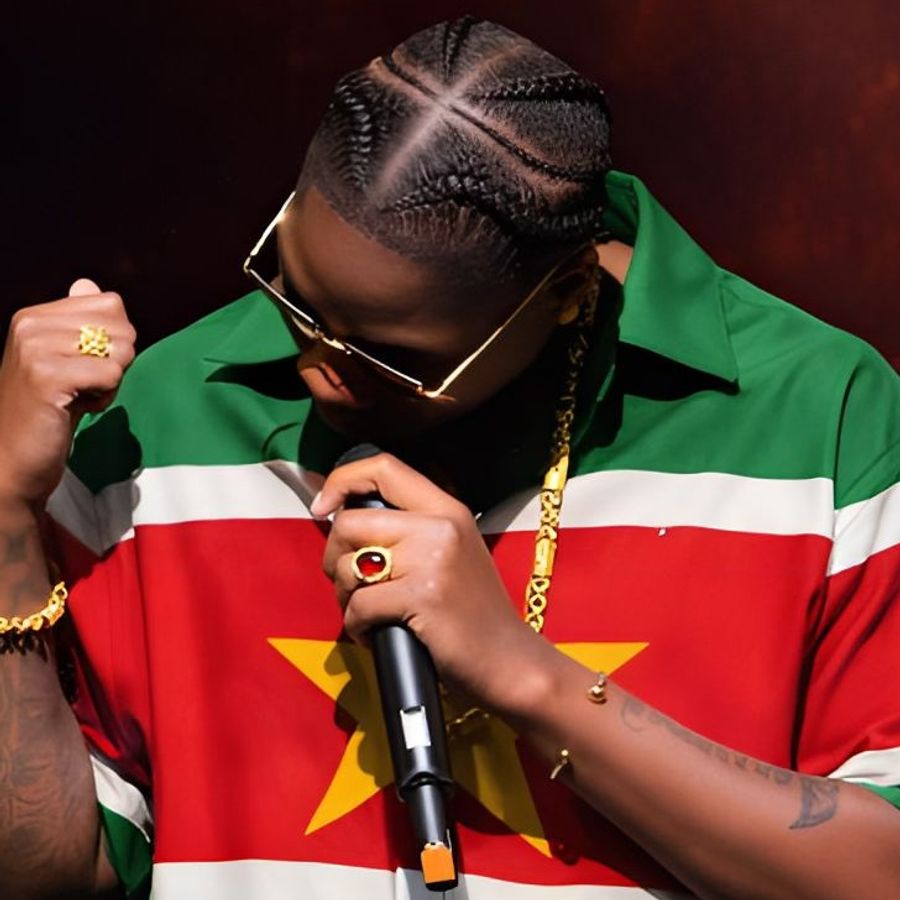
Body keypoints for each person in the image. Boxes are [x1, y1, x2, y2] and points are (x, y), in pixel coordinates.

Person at [1, 15, 898, 900]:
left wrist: (524, 676)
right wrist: (5, 511)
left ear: (566, 290)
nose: (318, 369)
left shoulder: (819, 417)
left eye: (392, 360)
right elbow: (49, 874)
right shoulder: (159, 416)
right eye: (294, 296)